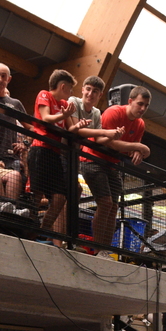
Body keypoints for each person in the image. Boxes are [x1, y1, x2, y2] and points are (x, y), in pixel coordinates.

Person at [83, 86, 152, 249]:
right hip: (92, 159)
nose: (143, 108)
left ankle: (105, 249)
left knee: (114, 207)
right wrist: (138, 147)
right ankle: (97, 248)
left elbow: (133, 147)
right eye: (140, 104)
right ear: (130, 101)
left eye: (146, 106)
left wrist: (138, 150)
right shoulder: (113, 112)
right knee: (105, 203)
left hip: (112, 165)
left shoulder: (140, 124)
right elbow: (110, 143)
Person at [68, 75, 127, 245]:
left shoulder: (96, 113)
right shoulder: (73, 101)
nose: (90, 93)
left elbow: (97, 139)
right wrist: (106, 132)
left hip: (77, 155)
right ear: (82, 89)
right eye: (88, 89)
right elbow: (77, 130)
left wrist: (113, 136)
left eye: (95, 91)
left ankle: (103, 247)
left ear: (100, 95)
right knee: (71, 194)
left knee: (110, 205)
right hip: (67, 153)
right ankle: (70, 239)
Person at [32, 69, 81, 243]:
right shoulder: (44, 95)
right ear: (63, 86)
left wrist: (79, 125)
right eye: (70, 89)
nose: (71, 93)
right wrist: (64, 114)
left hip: (55, 153)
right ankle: (27, 231)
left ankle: (41, 231)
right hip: (40, 149)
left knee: (60, 197)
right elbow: (45, 117)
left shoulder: (63, 104)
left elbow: (70, 128)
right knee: (37, 193)